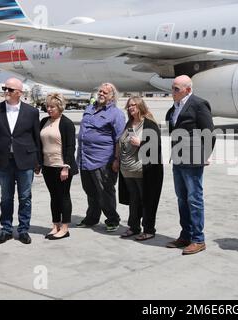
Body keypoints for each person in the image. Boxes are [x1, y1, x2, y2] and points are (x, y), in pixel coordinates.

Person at [0, 77, 40, 245]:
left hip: (25, 161)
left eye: (10, 89)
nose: (6, 91)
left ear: (19, 93)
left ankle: (23, 230)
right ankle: (6, 230)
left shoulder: (32, 112)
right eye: (4, 88)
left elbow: (37, 139)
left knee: (25, 197)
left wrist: (38, 163)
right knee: (6, 198)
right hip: (3, 161)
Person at [165, 75, 215, 255]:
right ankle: (185, 234)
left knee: (194, 199)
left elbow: (209, 132)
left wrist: (204, 155)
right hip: (178, 159)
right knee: (181, 198)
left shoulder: (199, 104)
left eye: (176, 89)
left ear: (187, 89)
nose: (173, 92)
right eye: (172, 88)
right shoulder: (175, 107)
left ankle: (198, 239)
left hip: (193, 160)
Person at [76, 83, 126, 232]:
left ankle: (112, 219)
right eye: (100, 91)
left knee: (105, 191)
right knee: (90, 191)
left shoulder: (116, 114)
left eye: (105, 92)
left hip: (103, 160)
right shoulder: (90, 108)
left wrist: (117, 160)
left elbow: (119, 139)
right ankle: (92, 218)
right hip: (85, 158)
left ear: (112, 96)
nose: (101, 94)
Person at [118, 97, 164, 241]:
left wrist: (141, 143)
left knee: (147, 201)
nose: (131, 107)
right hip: (128, 170)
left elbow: (155, 147)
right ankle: (134, 227)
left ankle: (149, 229)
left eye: (134, 105)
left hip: (144, 171)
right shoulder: (129, 123)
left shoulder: (149, 124)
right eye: (129, 105)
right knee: (134, 200)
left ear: (140, 106)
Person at [40, 93, 78, 240]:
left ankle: (65, 228)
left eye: (52, 107)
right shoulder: (44, 121)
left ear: (60, 107)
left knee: (63, 196)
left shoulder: (66, 123)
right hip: (47, 166)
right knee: (53, 197)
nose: (49, 109)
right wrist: (38, 163)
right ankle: (55, 225)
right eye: (47, 106)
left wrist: (66, 167)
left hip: (61, 166)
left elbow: (70, 147)